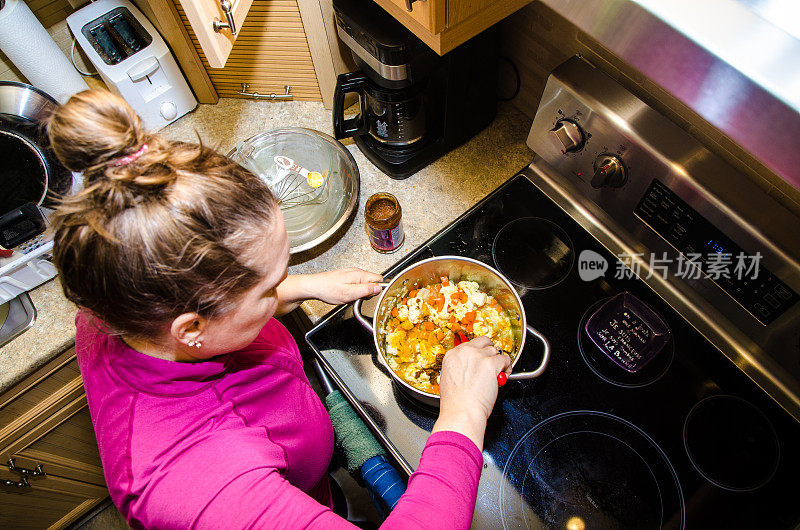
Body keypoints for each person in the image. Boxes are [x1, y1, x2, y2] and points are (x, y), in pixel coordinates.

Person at [47, 90, 511, 529]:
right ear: (191, 326)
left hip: (310, 486)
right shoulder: (194, 487)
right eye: (270, 288)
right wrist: (463, 410)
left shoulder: (119, 292)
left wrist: (306, 286)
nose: (281, 292)